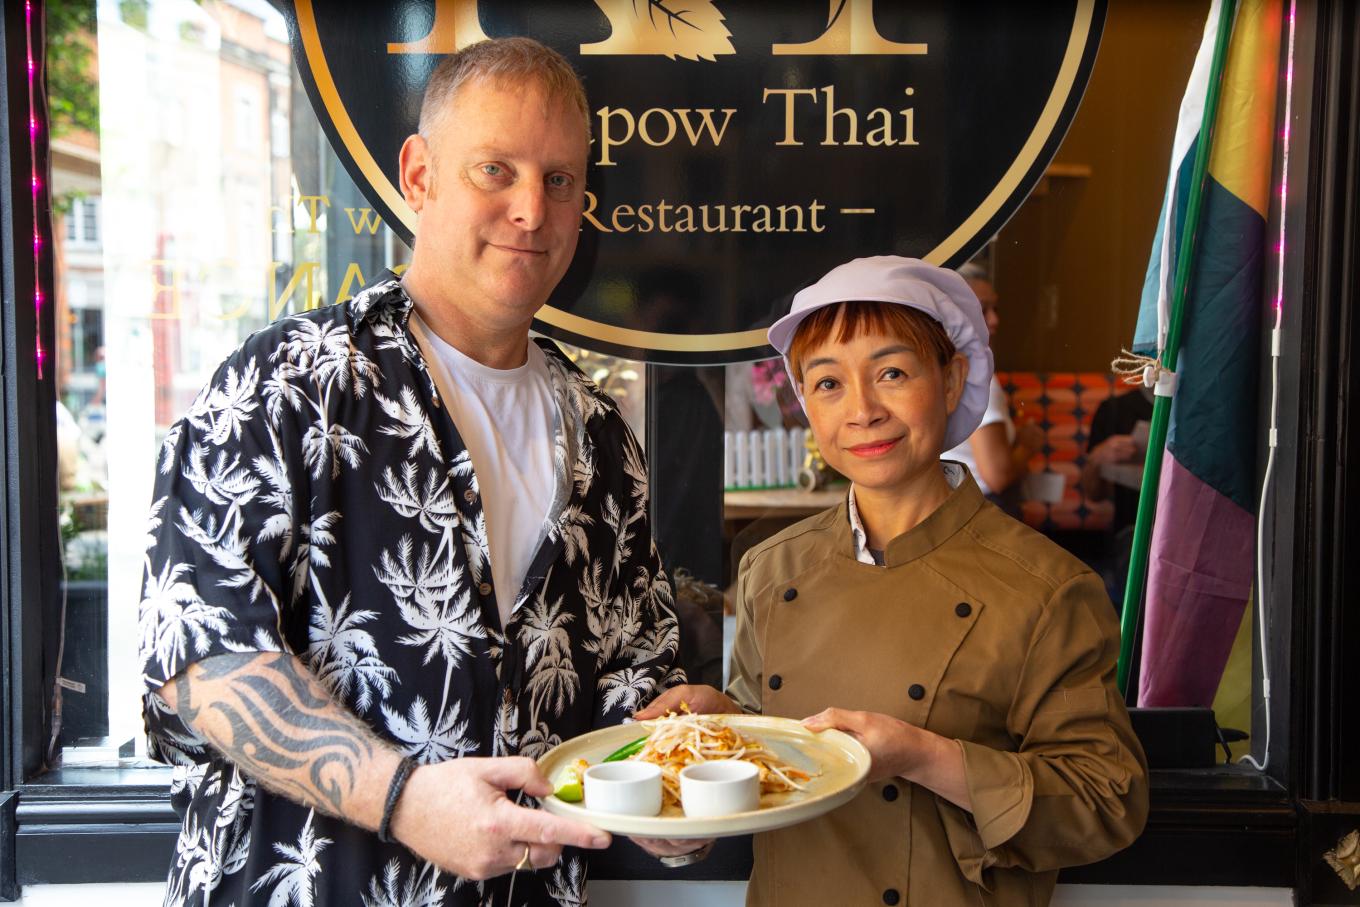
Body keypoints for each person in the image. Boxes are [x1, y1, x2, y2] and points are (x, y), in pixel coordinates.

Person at [138, 38, 686, 906]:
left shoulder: (603, 434)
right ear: (421, 176)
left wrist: (685, 763)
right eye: (495, 170)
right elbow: (204, 661)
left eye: (559, 181)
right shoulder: (288, 381)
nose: (531, 211)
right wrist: (402, 799)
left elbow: (633, 681)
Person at [639, 257, 1148, 906]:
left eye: (892, 373)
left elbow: (1108, 800)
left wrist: (920, 755)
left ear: (951, 378)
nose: (862, 410)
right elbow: (773, 749)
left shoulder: (1047, 587)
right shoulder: (772, 566)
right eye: (827, 383)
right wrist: (713, 744)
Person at [941, 263, 1043, 514]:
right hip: (982, 511)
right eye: (981, 310)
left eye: (995, 308)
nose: (994, 320)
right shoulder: (976, 375)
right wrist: (1028, 445)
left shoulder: (936, 368)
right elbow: (997, 475)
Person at [1081, 383, 1156, 605]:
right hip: (1134, 530)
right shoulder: (1115, 409)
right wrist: (1098, 457)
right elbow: (1094, 494)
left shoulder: (1200, 407)